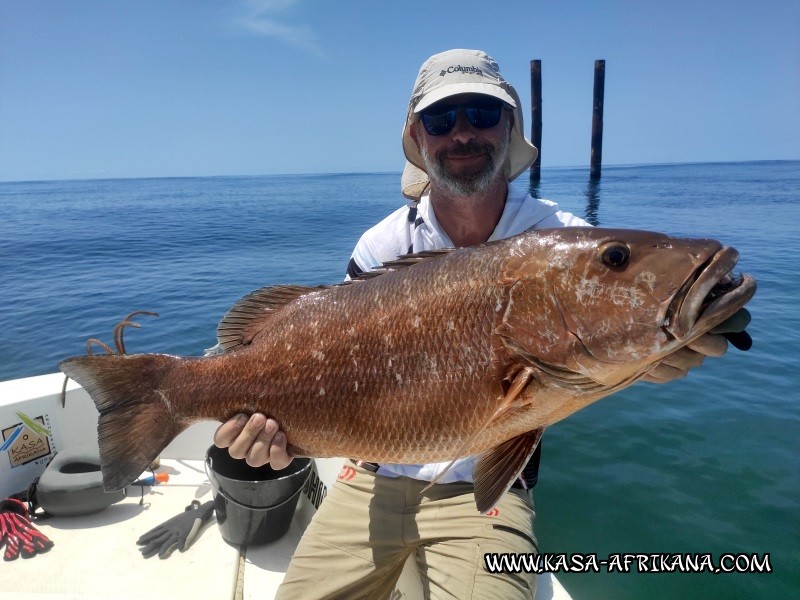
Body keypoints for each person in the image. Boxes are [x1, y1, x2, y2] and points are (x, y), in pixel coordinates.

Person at [214, 49, 734, 599]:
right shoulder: (380, 247)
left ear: (509, 126)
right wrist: (277, 437)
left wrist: (660, 353)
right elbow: (337, 375)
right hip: (370, 476)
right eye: (441, 120)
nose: (462, 133)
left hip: (485, 491)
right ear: (419, 136)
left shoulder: (558, 234)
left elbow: (601, 355)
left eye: (482, 114)